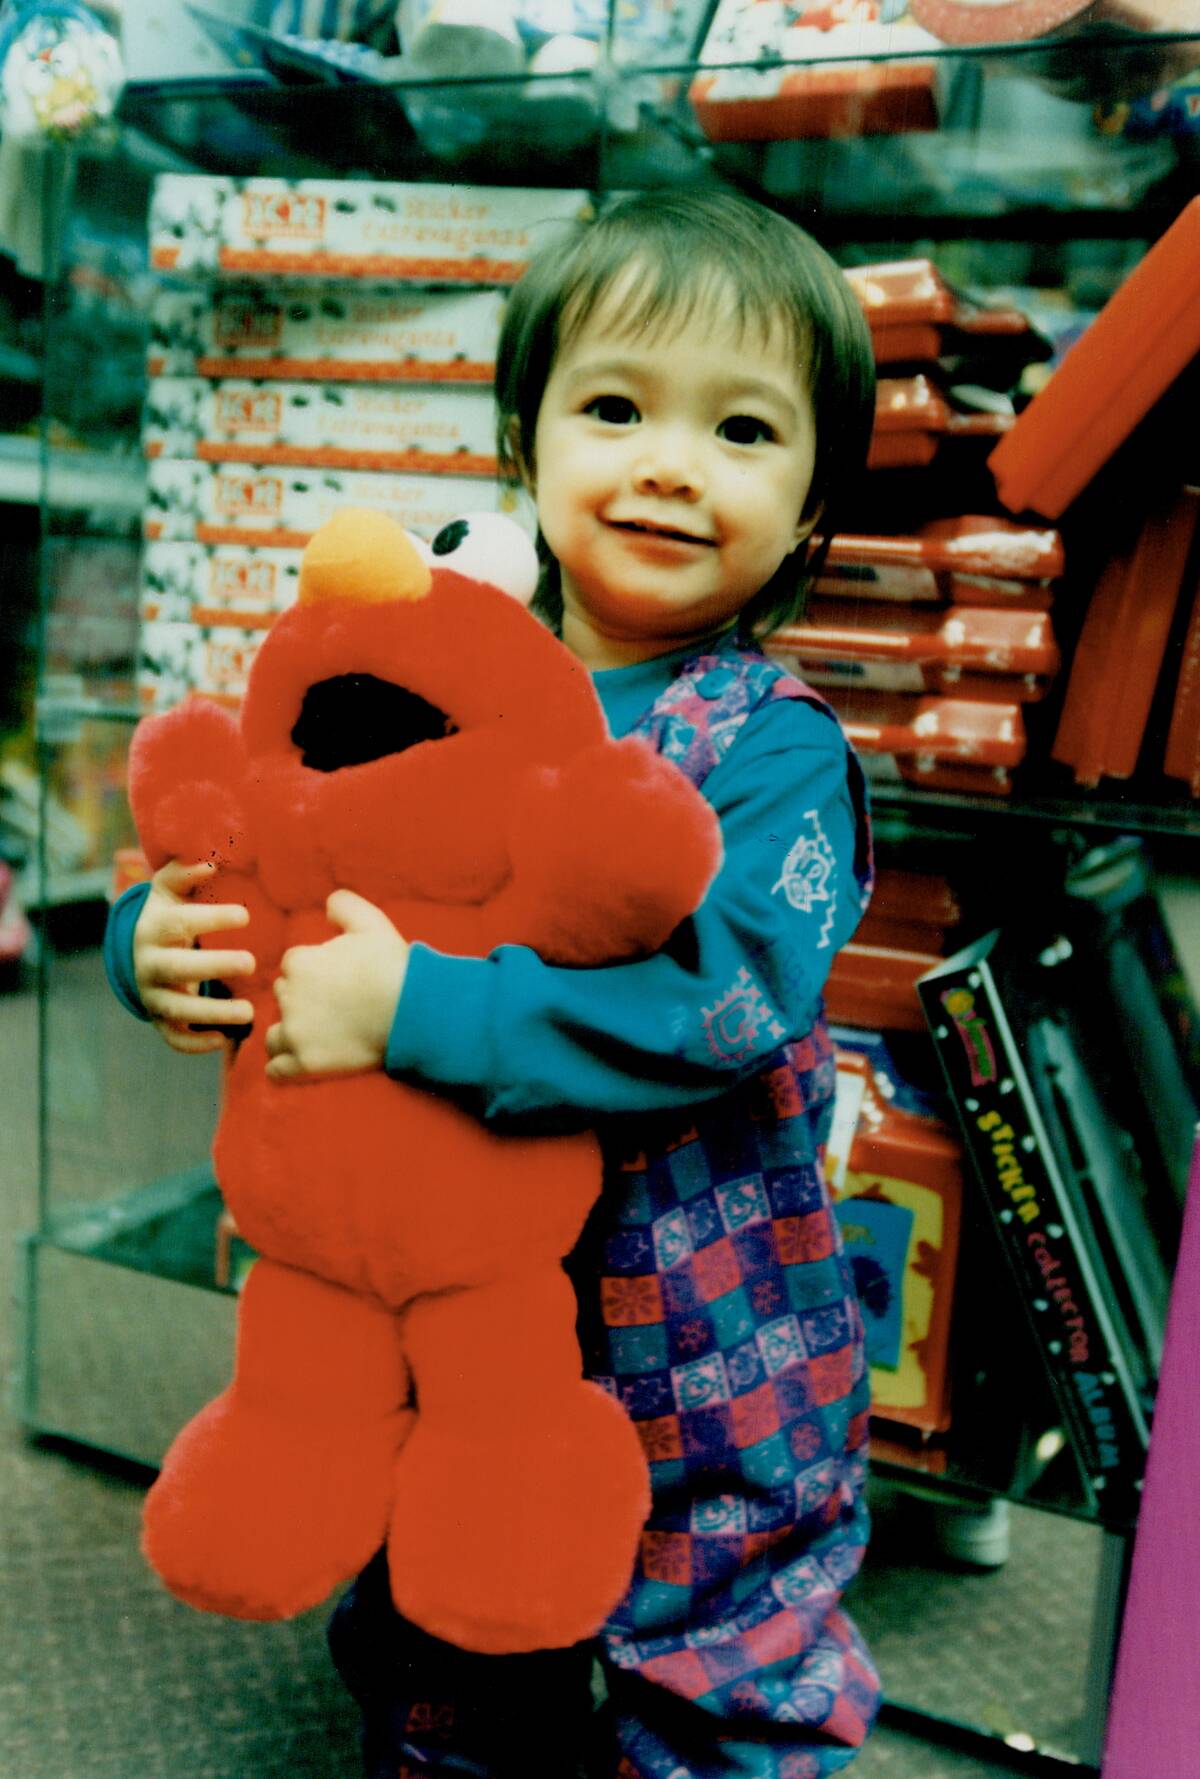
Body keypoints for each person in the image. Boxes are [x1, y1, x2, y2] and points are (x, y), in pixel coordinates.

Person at [105, 186, 879, 1779]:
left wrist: (420, 1013)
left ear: (812, 509)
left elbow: (729, 1002)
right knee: (444, 1629)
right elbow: (266, 824)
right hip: (428, 1307)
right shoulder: (420, 665)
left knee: (718, 1647)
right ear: (526, 445)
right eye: (615, 408)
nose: (668, 465)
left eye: (742, 431)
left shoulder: (772, 745)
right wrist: (158, 941)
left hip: (699, 1321)